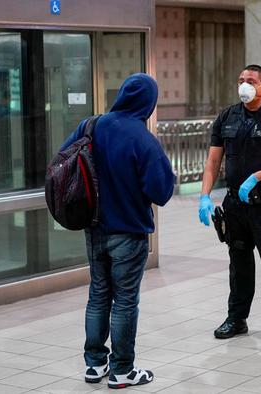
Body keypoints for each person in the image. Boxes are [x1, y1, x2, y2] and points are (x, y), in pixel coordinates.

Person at [61, 73, 175, 389]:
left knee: (98, 295)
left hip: (94, 228)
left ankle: (95, 365)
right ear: (149, 103)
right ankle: (122, 371)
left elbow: (63, 163)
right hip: (128, 232)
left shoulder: (91, 126)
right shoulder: (143, 139)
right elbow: (161, 192)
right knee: (125, 301)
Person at [198, 64, 261, 345]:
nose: (244, 84)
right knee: (238, 265)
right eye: (241, 79)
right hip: (236, 206)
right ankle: (236, 318)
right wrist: (205, 195)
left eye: (251, 80)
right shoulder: (227, 117)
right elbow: (213, 161)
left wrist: (257, 176)